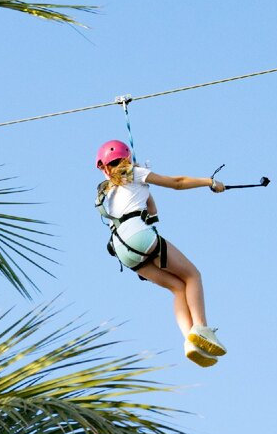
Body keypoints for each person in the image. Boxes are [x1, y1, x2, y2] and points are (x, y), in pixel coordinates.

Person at [94, 139, 228, 367]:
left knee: (178, 288)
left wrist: (146, 194)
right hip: (140, 236)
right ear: (127, 159)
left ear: (103, 167)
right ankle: (202, 329)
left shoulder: (107, 192)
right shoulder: (135, 172)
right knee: (192, 276)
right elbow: (177, 183)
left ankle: (190, 341)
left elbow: (151, 209)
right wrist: (210, 181)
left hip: (123, 251)